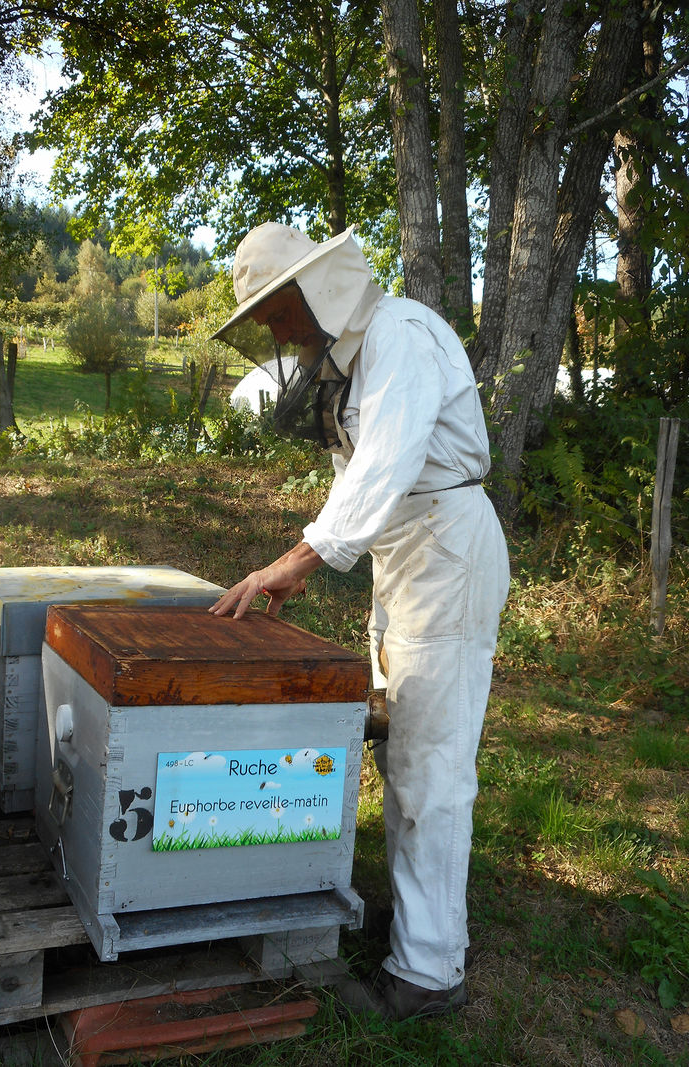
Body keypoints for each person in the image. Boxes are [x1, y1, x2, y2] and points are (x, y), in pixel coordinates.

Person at [209, 222, 510, 1021]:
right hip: (410, 557)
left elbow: (382, 469)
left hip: (446, 553)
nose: (277, 332)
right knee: (400, 749)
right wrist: (313, 557)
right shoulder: (356, 358)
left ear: (317, 289)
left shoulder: (401, 334)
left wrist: (291, 561)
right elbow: (360, 491)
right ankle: (421, 923)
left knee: (431, 768)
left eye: (278, 313)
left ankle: (430, 973)